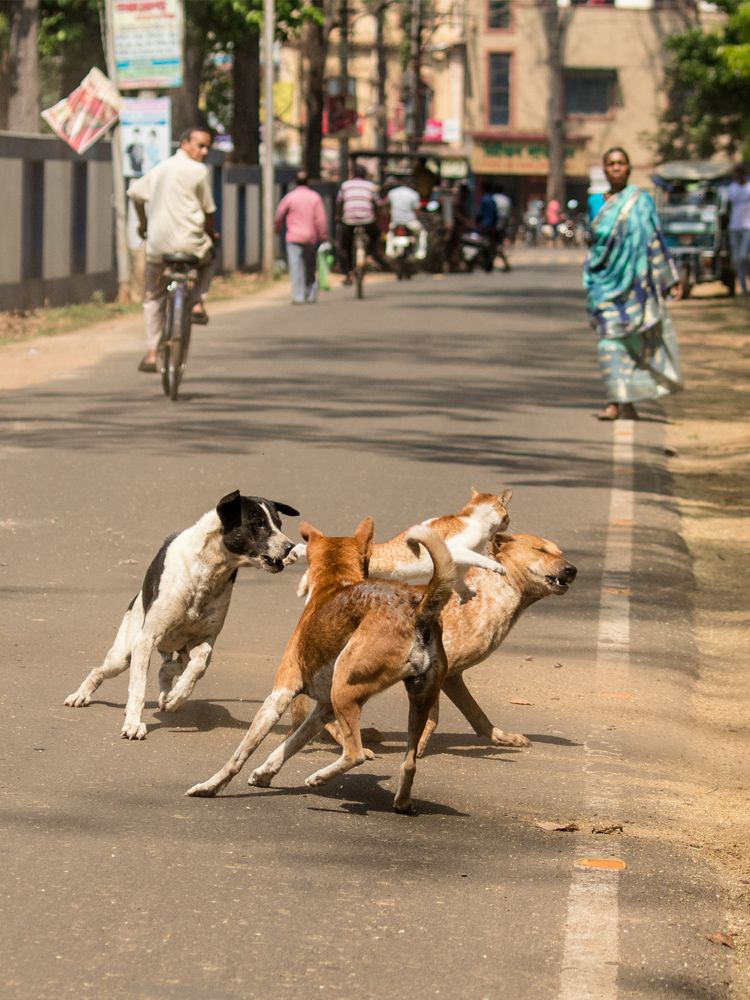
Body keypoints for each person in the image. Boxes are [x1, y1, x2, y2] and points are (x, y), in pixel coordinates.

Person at [584, 146, 683, 421]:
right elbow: (594, 241)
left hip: (635, 285)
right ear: (604, 169)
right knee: (608, 343)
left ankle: (625, 402)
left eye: (621, 163)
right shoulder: (595, 202)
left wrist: (669, 278)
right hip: (604, 281)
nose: (616, 168)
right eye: (611, 164)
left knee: (631, 342)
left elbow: (654, 239)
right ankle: (615, 400)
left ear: (629, 168)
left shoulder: (642, 201)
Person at [128, 126, 217, 373]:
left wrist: (144, 225)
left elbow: (135, 194)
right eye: (200, 145)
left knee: (153, 296)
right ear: (185, 144)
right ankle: (197, 302)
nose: (204, 151)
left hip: (157, 246)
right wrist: (212, 235)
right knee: (211, 259)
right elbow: (209, 210)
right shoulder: (199, 172)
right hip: (191, 245)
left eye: (207, 146)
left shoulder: (160, 169)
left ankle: (151, 353)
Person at [274, 170, 329, 305]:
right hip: (311, 238)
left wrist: (277, 229)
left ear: (295, 182)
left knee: (295, 267)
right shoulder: (315, 197)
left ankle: (298, 296)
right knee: (310, 267)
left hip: (293, 238)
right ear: (308, 181)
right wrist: (323, 236)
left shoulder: (290, 197)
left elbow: (279, 215)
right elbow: (321, 220)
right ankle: (310, 293)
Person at [336, 164, 389, 283]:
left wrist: (338, 217)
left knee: (345, 245)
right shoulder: (370, 186)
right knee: (375, 235)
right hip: (367, 220)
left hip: (348, 220)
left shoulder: (345, 185)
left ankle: (347, 272)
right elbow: (379, 203)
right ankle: (371, 255)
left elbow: (339, 202)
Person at [386, 176, 427, 260]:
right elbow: (417, 210)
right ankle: (420, 252)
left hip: (395, 222)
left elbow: (387, 206)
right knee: (422, 232)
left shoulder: (392, 192)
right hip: (410, 222)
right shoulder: (414, 194)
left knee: (390, 233)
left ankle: (389, 250)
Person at [726, 164, 750, 296]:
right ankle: (742, 287)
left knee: (742, 256)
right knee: (736, 259)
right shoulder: (732, 188)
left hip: (747, 227)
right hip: (734, 226)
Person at [492, 185, 512, 271]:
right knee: (498, 245)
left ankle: (504, 263)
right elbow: (509, 212)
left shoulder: (493, 198)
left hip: (494, 224)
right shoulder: (506, 199)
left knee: (495, 245)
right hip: (503, 224)